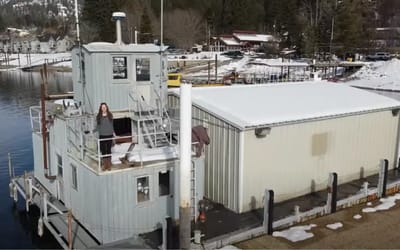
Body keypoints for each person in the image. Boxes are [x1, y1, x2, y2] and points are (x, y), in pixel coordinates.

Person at [96, 102, 115, 171]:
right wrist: (92, 131)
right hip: (102, 135)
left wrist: (114, 133)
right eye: (102, 107)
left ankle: (108, 165)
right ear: (101, 108)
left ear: (106, 107)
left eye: (105, 107)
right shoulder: (98, 116)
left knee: (108, 150)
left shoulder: (110, 115)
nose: (104, 108)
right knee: (103, 150)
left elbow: (112, 125)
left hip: (109, 135)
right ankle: (104, 165)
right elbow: (97, 127)